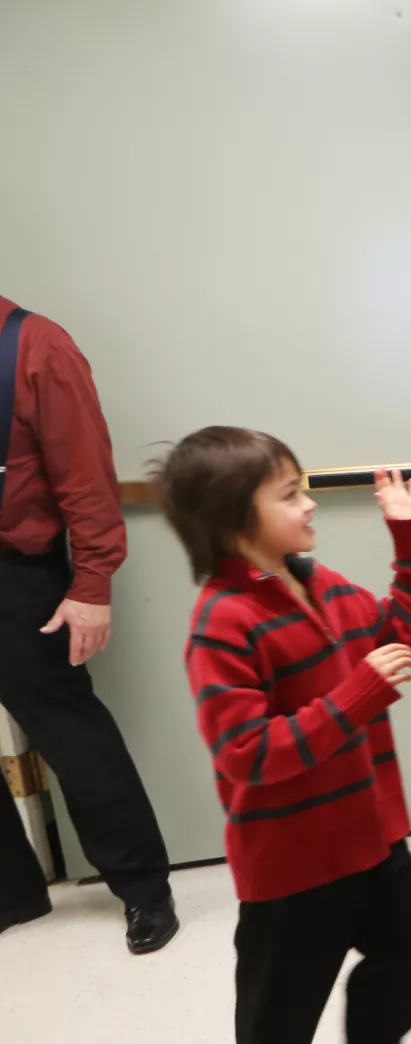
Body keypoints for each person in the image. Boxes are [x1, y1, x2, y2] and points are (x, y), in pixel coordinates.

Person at [153, 427, 411, 1044]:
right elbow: (247, 754)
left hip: (372, 842)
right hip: (293, 871)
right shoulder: (222, 623)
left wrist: (410, 542)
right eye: (289, 494)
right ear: (233, 520)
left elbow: (409, 626)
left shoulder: (326, 586)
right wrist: (360, 695)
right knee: (274, 1033)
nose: (309, 503)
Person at [0, 295, 176, 953]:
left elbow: (85, 478)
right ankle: (12, 895)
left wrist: (92, 583)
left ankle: (143, 890)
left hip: (15, 576)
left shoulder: (37, 346)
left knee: (72, 736)